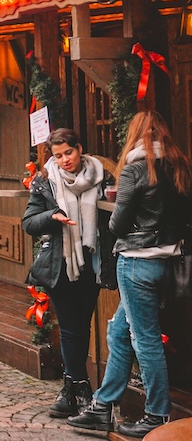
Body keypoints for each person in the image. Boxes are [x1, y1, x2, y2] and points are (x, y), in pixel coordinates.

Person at [69, 111, 192, 438]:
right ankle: (102, 406)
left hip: (135, 262)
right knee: (119, 333)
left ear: (135, 134)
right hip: (165, 262)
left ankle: (157, 414)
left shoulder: (136, 168)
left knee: (145, 340)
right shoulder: (178, 166)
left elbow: (117, 224)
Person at [21, 128, 108, 419]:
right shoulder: (44, 181)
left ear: (79, 148)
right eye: (57, 156)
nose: (64, 160)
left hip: (90, 262)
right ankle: (80, 388)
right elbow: (29, 222)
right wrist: (52, 217)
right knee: (71, 327)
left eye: (68, 153)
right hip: (60, 263)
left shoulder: (100, 176)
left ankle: (70, 391)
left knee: (81, 325)